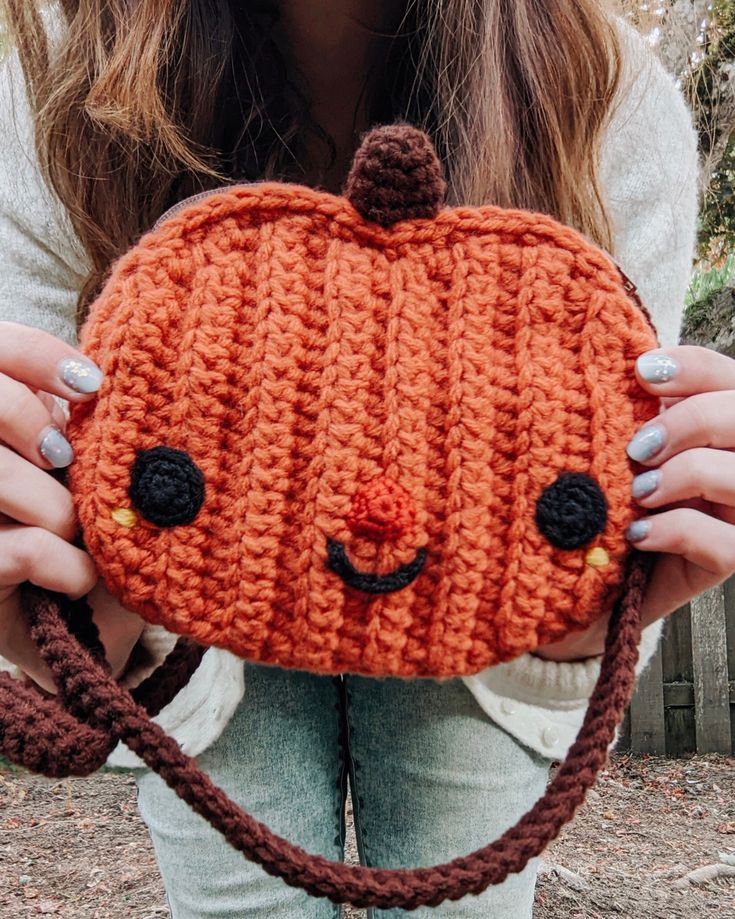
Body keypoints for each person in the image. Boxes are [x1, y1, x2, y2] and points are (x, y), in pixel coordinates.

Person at [0, 2, 726, 917]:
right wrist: (69, 619)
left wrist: (587, 613)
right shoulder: (52, 86)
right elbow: (53, 501)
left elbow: (614, 488)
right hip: (187, 604)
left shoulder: (605, 94)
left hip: (480, 613)